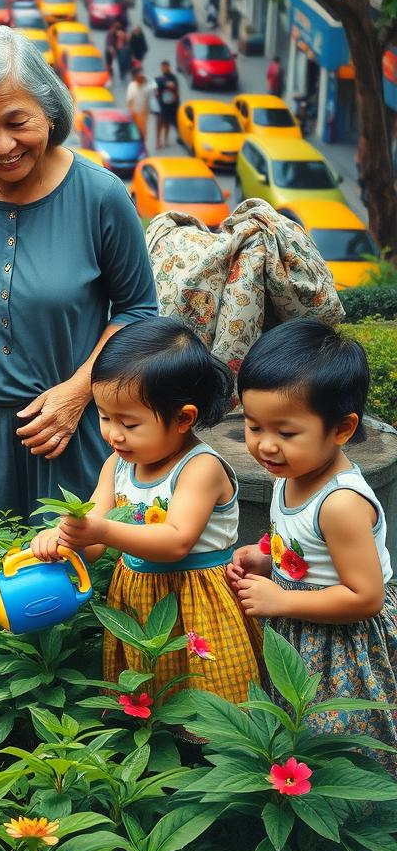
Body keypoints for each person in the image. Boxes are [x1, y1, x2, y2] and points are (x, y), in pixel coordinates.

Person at [0, 26, 157, 525]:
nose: (3, 144)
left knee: (69, 583)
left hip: (67, 431)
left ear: (50, 110)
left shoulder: (101, 196)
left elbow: (138, 311)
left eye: (17, 121)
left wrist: (77, 393)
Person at [31, 318, 263, 705]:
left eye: (130, 422)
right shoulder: (117, 466)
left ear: (184, 418)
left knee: (211, 702)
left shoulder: (199, 468)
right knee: (150, 697)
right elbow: (94, 546)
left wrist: (100, 530)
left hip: (198, 604)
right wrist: (64, 539)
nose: (113, 434)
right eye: (105, 417)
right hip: (139, 603)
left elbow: (175, 541)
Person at [229, 320, 396, 772]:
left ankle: (350, 826)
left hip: (341, 641)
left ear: (341, 429)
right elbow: (304, 543)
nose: (266, 445)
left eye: (286, 432)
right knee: (295, 731)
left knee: (338, 747)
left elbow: (366, 597)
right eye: (253, 425)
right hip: (300, 627)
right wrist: (269, 558)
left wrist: (282, 598)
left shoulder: (341, 503)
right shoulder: (295, 473)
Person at [154, 60, 180, 150]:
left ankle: (166, 139)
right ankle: (158, 140)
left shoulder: (173, 78)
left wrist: (177, 104)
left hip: (170, 105)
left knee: (167, 122)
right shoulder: (159, 79)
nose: (164, 68)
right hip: (161, 105)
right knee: (159, 122)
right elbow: (156, 88)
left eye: (165, 67)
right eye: (162, 67)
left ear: (169, 67)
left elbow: (176, 91)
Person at [125, 69, 152, 146]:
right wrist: (131, 111)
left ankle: (143, 145)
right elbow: (129, 100)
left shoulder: (146, 87)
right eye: (139, 78)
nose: (141, 80)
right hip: (135, 114)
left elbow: (148, 100)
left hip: (143, 113)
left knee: (143, 132)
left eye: (142, 78)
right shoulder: (132, 86)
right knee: (135, 132)